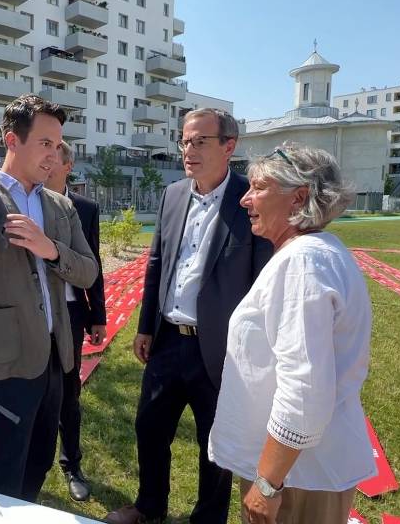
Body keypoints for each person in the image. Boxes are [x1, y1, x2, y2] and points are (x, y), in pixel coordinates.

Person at [105, 108, 272, 524]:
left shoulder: (248, 201)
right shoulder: (173, 194)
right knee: (149, 427)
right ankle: (149, 508)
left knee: (214, 443)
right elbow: (157, 263)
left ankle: (208, 518)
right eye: (184, 141)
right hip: (167, 341)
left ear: (228, 147)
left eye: (200, 141)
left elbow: (261, 280)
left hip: (219, 349)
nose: (188, 150)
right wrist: (146, 326)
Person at [0, 94, 99, 502]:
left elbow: (88, 270)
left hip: (53, 362)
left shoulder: (60, 206)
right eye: (45, 143)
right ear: (12, 141)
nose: (55, 154)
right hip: (1, 365)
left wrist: (50, 250)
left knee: (37, 466)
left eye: (58, 144)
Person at [208, 145, 376, 524]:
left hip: (296, 478)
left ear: (298, 197)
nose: (245, 199)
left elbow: (304, 389)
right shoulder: (316, 252)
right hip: (299, 470)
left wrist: (268, 483)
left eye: (259, 188)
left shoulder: (304, 262)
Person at [44, 140, 106, 502]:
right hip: (35, 313)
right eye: (45, 158)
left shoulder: (85, 208)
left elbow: (93, 263)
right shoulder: (28, 203)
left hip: (70, 314)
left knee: (69, 393)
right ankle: (30, 462)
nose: (48, 165)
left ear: (68, 166)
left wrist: (97, 315)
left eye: (55, 160)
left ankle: (72, 465)